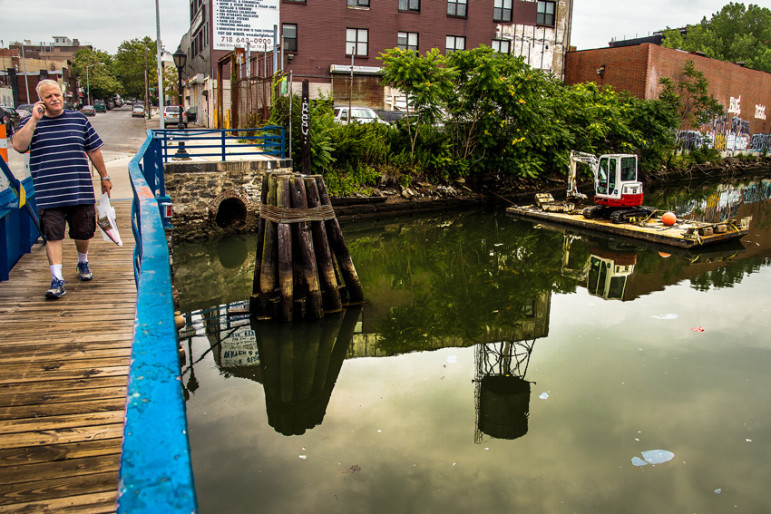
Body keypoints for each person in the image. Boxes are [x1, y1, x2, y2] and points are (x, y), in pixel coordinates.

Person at [11, 79, 112, 299]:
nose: (54, 99)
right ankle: (57, 279)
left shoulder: (79, 119)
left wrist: (105, 176)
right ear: (41, 101)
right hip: (49, 193)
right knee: (52, 236)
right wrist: (33, 121)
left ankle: (82, 262)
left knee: (83, 231)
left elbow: (94, 150)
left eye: (57, 95)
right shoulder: (32, 123)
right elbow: (18, 146)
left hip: (80, 189)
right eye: (48, 96)